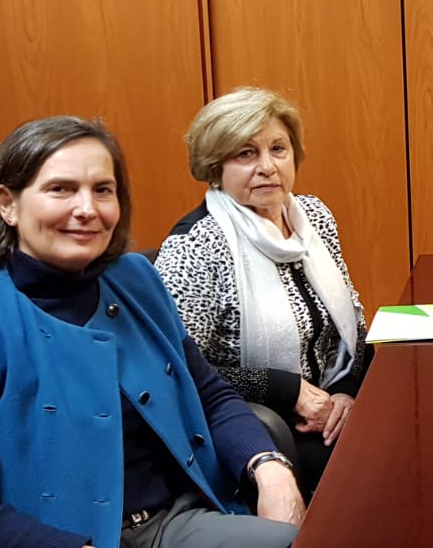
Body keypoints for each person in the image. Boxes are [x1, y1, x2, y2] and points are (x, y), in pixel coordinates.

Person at [0, 116, 302, 548]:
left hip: (176, 522)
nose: (87, 209)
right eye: (61, 189)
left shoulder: (137, 279)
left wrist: (269, 467)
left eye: (102, 190)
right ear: (7, 204)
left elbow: (210, 397)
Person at [155, 88, 369, 496]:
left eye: (278, 149)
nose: (267, 167)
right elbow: (173, 369)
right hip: (258, 426)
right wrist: (289, 391)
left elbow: (352, 323)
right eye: (245, 154)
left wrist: (346, 392)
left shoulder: (314, 217)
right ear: (215, 167)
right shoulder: (196, 245)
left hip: (334, 405)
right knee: (379, 468)